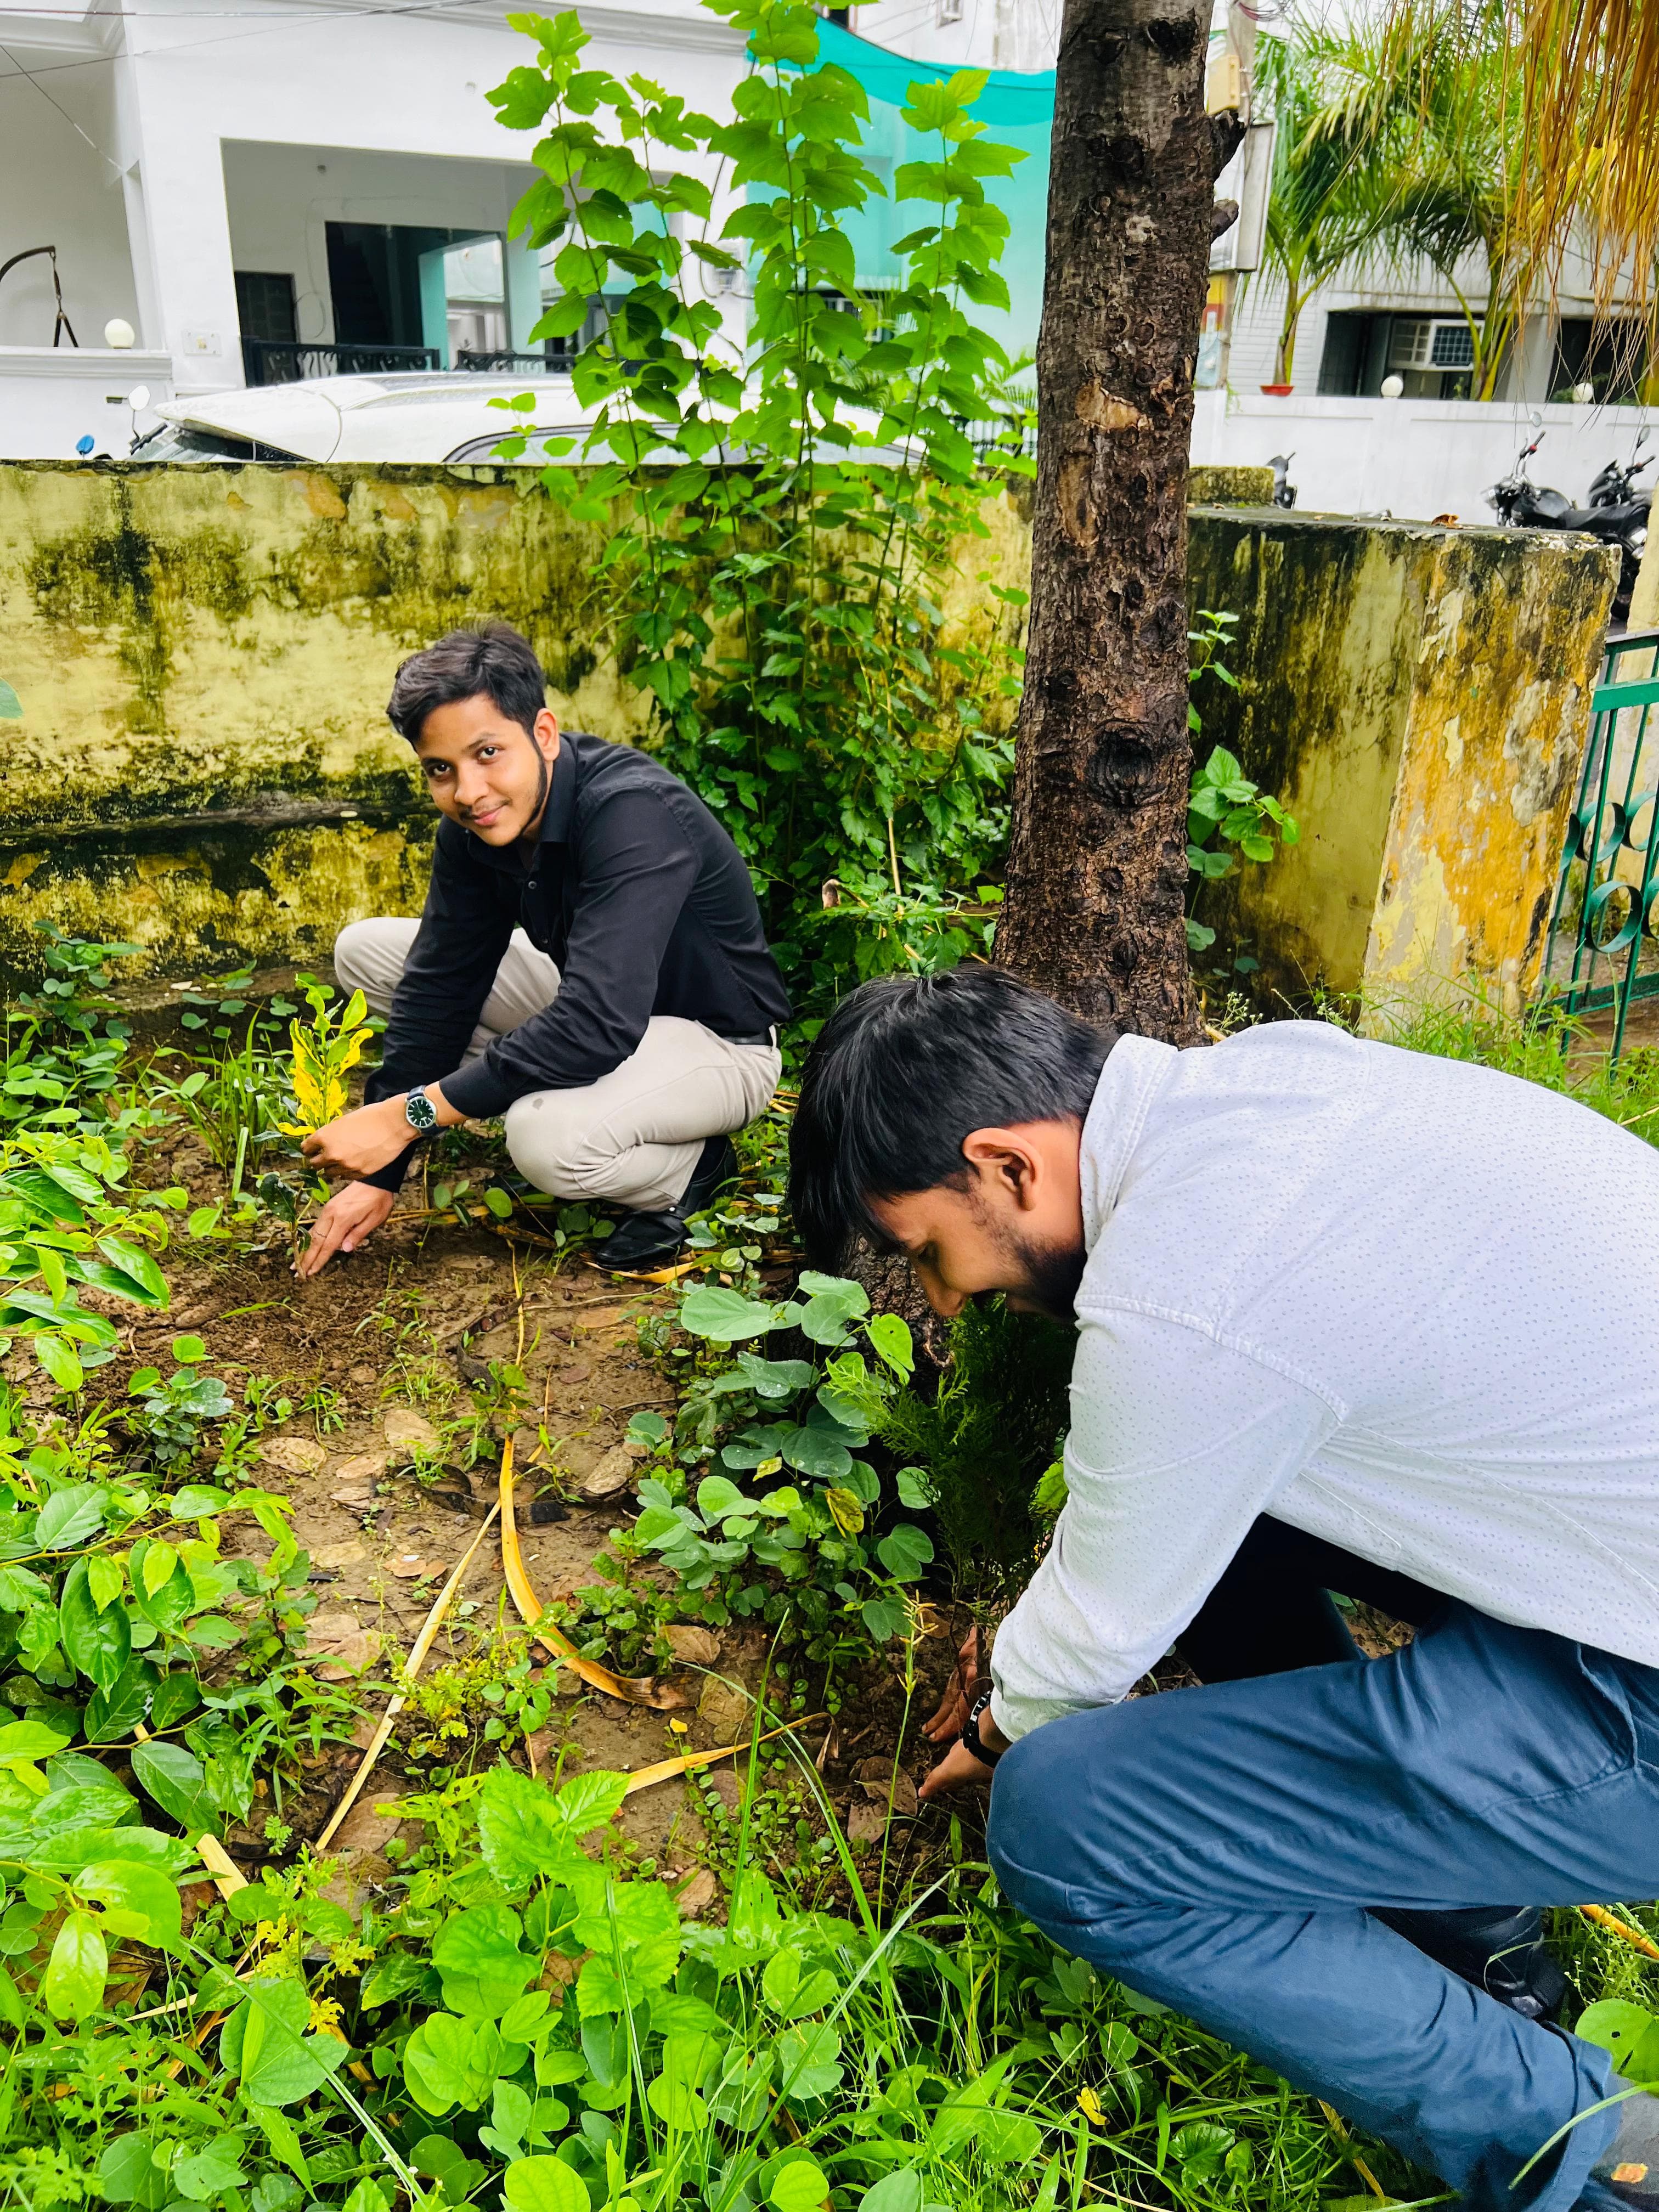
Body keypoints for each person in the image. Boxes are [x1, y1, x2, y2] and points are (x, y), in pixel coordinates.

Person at [787, 964, 1659, 2212]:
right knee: (1221, 1520)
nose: (943, 1299)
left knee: (1064, 1820)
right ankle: (1478, 1916)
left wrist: (994, 1728)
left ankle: (1589, 2158)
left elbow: (1091, 1635)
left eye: (930, 1251)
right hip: (1617, 1574)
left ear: (1007, 1166)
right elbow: (1147, 1515)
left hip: (1641, 1703)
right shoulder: (1270, 1085)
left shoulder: (1183, 1289)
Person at [296, 621, 788, 1277]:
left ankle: (690, 1169)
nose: (468, 792)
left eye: (488, 753)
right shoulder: (475, 829)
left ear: (545, 734)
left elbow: (595, 1022)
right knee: (367, 951)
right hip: (607, 1010)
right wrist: (383, 1171)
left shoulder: (631, 812)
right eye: (441, 769)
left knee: (544, 1136)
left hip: (720, 1046)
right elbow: (442, 984)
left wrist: (411, 1115)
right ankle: (543, 1083)